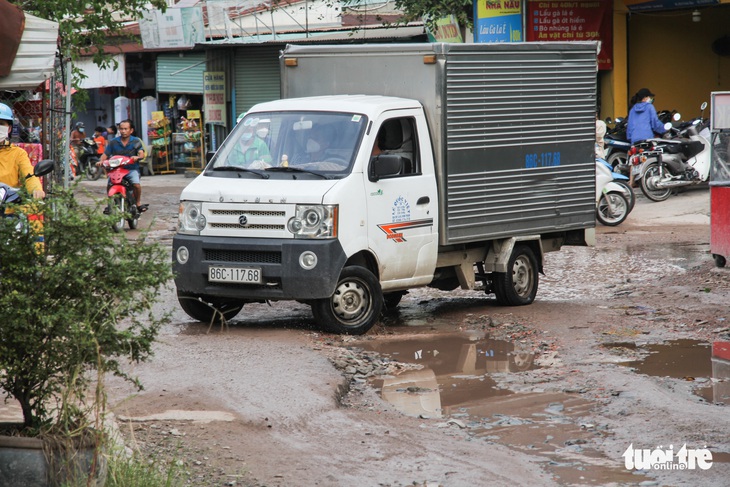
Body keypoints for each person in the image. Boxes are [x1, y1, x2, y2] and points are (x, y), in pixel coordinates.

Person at [98, 119, 146, 209]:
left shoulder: (136, 141)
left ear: (131, 130)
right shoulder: (113, 142)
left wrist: (137, 157)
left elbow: (141, 153)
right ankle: (110, 204)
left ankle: (138, 202)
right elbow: (105, 155)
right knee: (109, 184)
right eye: (121, 129)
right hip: (116, 170)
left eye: (125, 129)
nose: (123, 131)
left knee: (136, 184)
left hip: (131, 169)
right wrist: (101, 161)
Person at [0, 103, 44, 199]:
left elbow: (29, 176)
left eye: (1, 123)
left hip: (9, 209)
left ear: (9, 128)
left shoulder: (18, 154)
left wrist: (36, 189)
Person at [626, 88, 667, 185]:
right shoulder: (649, 107)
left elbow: (630, 126)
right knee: (657, 153)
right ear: (645, 98)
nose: (650, 98)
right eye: (649, 97)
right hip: (647, 137)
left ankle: (631, 182)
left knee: (634, 158)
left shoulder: (632, 109)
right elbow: (655, 123)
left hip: (635, 139)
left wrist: (630, 138)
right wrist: (664, 129)